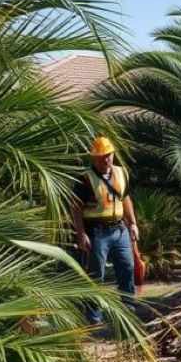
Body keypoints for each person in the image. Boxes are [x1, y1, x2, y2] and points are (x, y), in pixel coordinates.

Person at [70, 135, 140, 325]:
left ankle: (128, 311)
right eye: (101, 156)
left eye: (108, 155)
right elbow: (75, 208)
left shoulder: (121, 172)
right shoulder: (85, 178)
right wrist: (81, 233)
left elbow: (126, 199)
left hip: (120, 229)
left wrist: (133, 223)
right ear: (94, 157)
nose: (105, 159)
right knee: (96, 275)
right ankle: (94, 318)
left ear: (113, 155)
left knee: (127, 269)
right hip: (97, 232)